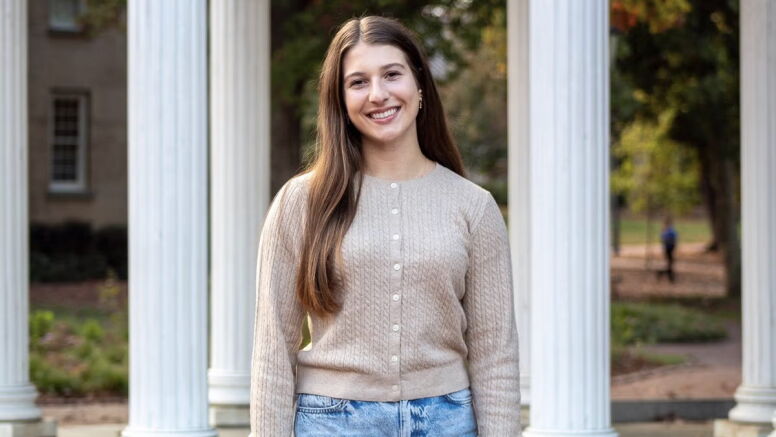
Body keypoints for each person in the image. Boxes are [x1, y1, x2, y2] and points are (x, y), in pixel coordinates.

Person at [249, 16, 520, 437]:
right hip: (328, 422)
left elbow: (494, 354)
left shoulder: (474, 207)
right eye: (357, 82)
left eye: (392, 74)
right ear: (340, 99)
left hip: (447, 421)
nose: (378, 94)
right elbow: (272, 348)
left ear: (419, 86)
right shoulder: (301, 202)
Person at [657, 216, 678, 282]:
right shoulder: (668, 230)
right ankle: (669, 277)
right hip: (668, 248)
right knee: (670, 263)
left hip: (670, 248)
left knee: (670, 263)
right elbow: (664, 238)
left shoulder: (668, 230)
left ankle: (664, 274)